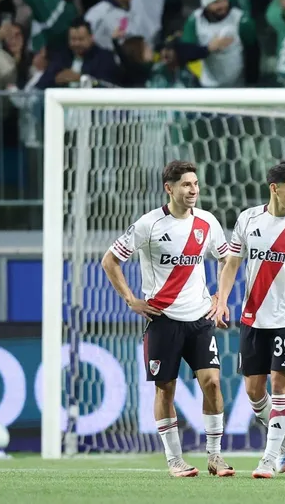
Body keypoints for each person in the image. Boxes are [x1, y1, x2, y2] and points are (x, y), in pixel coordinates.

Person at [99, 160, 233, 478]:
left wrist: (221, 297)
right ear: (169, 188)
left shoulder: (207, 222)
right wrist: (131, 300)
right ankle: (175, 460)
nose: (193, 190)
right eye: (186, 184)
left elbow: (227, 258)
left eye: (195, 184)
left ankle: (215, 456)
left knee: (213, 383)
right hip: (163, 319)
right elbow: (110, 260)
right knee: (165, 388)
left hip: (200, 317)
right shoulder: (148, 225)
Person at [213, 161, 285, 479]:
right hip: (252, 317)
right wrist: (221, 301)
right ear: (274, 189)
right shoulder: (248, 219)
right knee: (254, 390)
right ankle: (283, 435)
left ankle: (269, 457)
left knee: (280, 384)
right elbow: (232, 264)